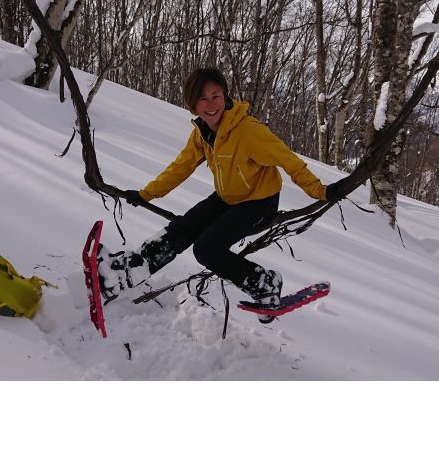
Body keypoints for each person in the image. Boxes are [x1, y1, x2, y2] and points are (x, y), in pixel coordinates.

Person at [98, 67, 340, 323]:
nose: (211, 104)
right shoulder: (202, 133)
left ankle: (265, 284)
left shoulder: (248, 131)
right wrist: (146, 194)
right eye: (203, 98)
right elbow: (181, 167)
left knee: (207, 248)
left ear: (225, 95)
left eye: (216, 95)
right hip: (228, 198)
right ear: (193, 104)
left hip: (259, 203)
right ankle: (125, 274)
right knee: (182, 229)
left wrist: (320, 191)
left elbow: (289, 161)